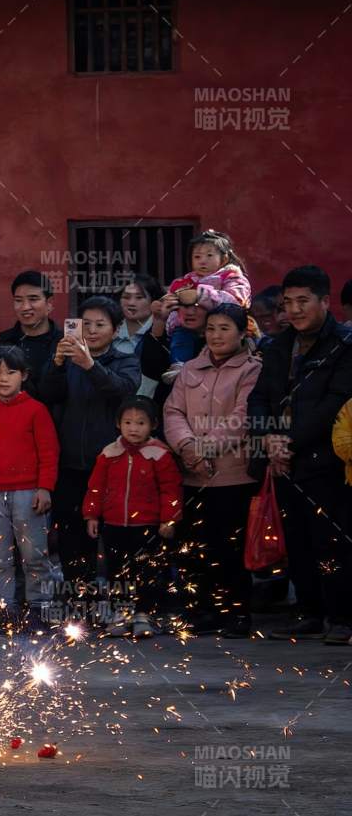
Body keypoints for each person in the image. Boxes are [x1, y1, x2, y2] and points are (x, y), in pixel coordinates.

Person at [248, 265, 352, 644]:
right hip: (283, 463)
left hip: (326, 462)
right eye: (288, 302)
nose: (294, 310)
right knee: (297, 540)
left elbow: (334, 404)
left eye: (303, 301)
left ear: (325, 301)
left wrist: (286, 441)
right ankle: (309, 612)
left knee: (332, 541)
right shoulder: (279, 345)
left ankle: (341, 617)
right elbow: (259, 397)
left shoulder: (344, 345)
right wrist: (267, 438)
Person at [163, 304, 261, 638]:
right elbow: (173, 412)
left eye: (224, 329)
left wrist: (205, 448)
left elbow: (242, 418)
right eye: (211, 329)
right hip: (192, 474)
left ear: (242, 333)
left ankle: (236, 613)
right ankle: (203, 610)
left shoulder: (252, 370)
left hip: (234, 475)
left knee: (230, 548)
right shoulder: (190, 368)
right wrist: (188, 447)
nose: (216, 336)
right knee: (196, 547)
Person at [40, 294, 141, 597]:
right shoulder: (66, 360)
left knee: (117, 539)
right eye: (86, 324)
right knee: (72, 539)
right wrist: (58, 364)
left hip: (113, 467)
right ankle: (79, 604)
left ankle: (123, 604)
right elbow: (47, 395)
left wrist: (90, 365)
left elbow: (123, 391)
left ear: (116, 328)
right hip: (70, 465)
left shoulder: (125, 359)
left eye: (100, 324)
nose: (93, 331)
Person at [0, 347, 59, 633]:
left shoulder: (36, 411)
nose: (3, 378)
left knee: (35, 555)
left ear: (24, 376)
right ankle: (3, 609)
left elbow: (49, 452)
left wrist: (45, 488)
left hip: (28, 494)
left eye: (11, 372)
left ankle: (40, 609)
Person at [83, 398, 183, 638]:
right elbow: (96, 487)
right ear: (118, 424)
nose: (133, 428)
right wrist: (91, 515)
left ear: (153, 425)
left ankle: (143, 615)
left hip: (147, 526)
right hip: (114, 525)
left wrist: (169, 519)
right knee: (116, 571)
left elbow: (171, 489)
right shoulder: (109, 453)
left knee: (146, 571)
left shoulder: (159, 455)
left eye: (140, 423)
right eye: (128, 422)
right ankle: (121, 613)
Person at [0, 270, 64, 410]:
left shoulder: (66, 346)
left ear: (49, 303)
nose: (25, 307)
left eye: (33, 299)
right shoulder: (1, 348)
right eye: (19, 300)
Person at [160, 230, 251, 366]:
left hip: (222, 329)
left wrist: (202, 295)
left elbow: (235, 301)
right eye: (197, 257)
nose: (202, 261)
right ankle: (179, 367)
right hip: (187, 329)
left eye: (209, 255)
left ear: (224, 259)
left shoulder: (232, 277)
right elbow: (173, 304)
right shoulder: (184, 281)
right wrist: (170, 315)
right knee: (179, 337)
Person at [116, 272, 164, 397]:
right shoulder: (109, 332)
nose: (131, 303)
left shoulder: (165, 334)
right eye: (126, 297)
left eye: (139, 297)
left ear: (154, 301)